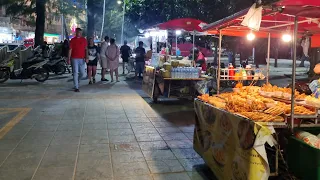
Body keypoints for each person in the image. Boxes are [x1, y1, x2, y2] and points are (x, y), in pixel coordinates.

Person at [68, 28, 88, 92]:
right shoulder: (72, 40)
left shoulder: (84, 40)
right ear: (75, 32)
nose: (79, 33)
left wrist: (87, 57)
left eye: (80, 32)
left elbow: (86, 49)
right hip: (74, 58)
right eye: (78, 32)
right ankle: (76, 87)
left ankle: (77, 81)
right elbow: (70, 50)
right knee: (75, 72)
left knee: (82, 73)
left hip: (82, 58)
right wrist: (68, 58)